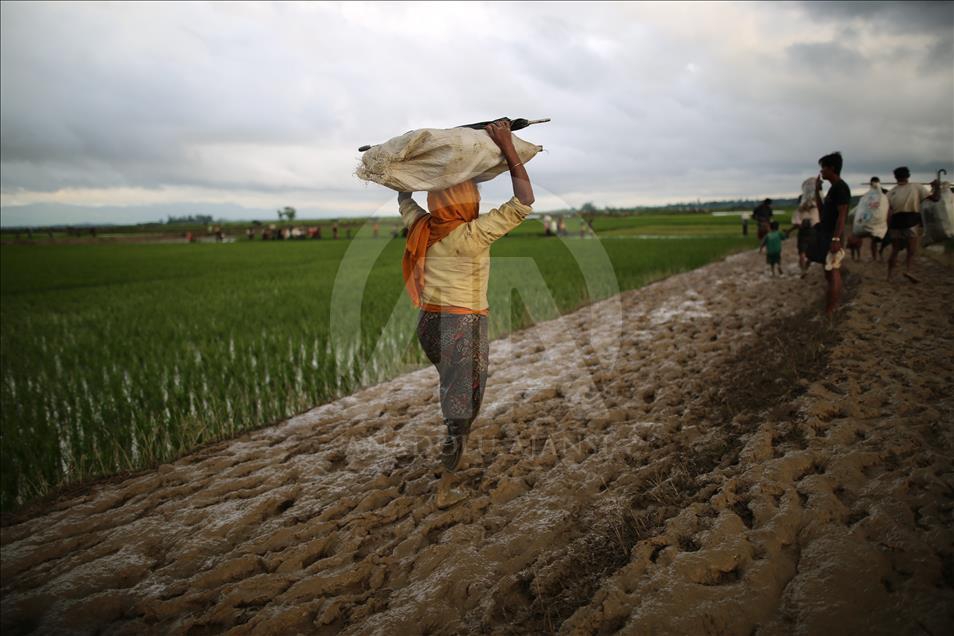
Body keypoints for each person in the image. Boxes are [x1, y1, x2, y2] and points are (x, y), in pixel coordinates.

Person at [399, 119, 534, 471]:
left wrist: (403, 169)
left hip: (428, 326)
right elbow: (524, 202)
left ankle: (450, 459)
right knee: (463, 408)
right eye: (471, 192)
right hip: (462, 328)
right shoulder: (471, 235)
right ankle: (444, 484)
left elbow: (404, 198)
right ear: (468, 201)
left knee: (457, 398)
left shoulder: (422, 226)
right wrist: (505, 143)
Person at [810, 152, 850, 317]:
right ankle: (831, 308)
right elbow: (822, 211)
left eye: (823, 168)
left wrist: (835, 238)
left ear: (831, 168)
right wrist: (817, 191)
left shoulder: (841, 187)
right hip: (828, 234)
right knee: (829, 271)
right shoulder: (833, 189)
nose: (821, 172)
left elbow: (842, 215)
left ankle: (831, 311)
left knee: (833, 271)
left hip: (833, 236)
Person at [885, 166, 929, 283]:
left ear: (895, 177)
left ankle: (889, 276)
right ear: (908, 176)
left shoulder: (891, 192)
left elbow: (887, 210)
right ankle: (908, 270)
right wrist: (937, 187)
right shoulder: (917, 187)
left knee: (895, 250)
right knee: (911, 250)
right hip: (911, 220)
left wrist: (887, 226)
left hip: (895, 222)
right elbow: (933, 198)